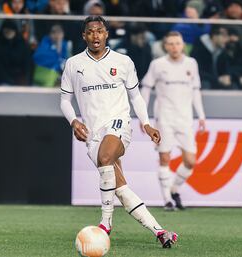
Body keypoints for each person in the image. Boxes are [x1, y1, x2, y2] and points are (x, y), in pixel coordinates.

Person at [60, 15, 178, 248]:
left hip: (118, 124)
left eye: (100, 31)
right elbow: (65, 100)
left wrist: (146, 123)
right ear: (84, 36)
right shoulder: (74, 64)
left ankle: (105, 223)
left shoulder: (123, 62)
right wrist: (74, 121)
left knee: (106, 157)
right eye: (91, 31)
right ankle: (160, 231)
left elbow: (135, 96)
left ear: (106, 34)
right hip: (92, 133)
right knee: (120, 188)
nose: (96, 35)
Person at [141, 31, 206, 211]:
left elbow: (196, 91)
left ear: (183, 45)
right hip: (165, 118)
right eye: (170, 43)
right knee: (164, 157)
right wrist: (144, 117)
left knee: (190, 161)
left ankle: (174, 189)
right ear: (165, 46)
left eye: (177, 43)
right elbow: (146, 88)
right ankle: (167, 200)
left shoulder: (191, 64)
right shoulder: (157, 65)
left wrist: (201, 115)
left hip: (185, 119)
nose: (174, 47)